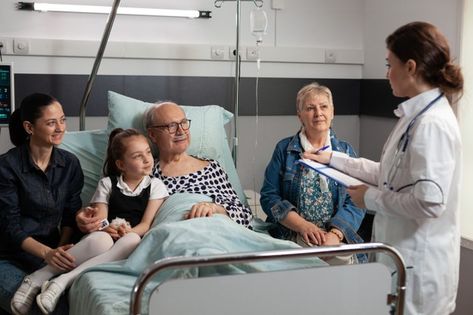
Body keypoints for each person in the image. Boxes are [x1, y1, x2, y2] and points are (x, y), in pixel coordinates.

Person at [307, 22, 463, 315]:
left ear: (411, 67)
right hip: (400, 258)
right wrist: (333, 159)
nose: (386, 72)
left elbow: (430, 203)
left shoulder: (433, 124)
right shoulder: (414, 115)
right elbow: (390, 174)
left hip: (420, 267)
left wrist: (369, 198)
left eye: (390, 64)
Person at [11, 128, 168, 314]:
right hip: (105, 238)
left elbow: (145, 224)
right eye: (137, 156)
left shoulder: (155, 186)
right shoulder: (108, 184)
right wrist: (107, 228)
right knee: (101, 239)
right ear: (121, 164)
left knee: (132, 240)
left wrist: (127, 232)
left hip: (130, 240)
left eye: (148, 152)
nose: (147, 159)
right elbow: (100, 219)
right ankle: (38, 277)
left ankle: (62, 281)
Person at [259, 82, 367, 263]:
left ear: (332, 112)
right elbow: (269, 197)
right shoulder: (284, 149)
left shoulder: (345, 152)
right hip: (293, 234)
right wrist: (302, 226)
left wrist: (335, 234)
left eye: (324, 107)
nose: (318, 113)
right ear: (300, 115)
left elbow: (357, 202)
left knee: (341, 275)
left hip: (334, 238)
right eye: (310, 108)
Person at [0, 93, 84, 315]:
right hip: (8, 257)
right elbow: (10, 228)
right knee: (42, 309)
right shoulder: (6, 167)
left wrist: (58, 251)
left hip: (51, 254)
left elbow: (70, 214)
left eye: (63, 120)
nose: (60, 128)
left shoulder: (70, 164)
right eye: (51, 123)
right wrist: (48, 253)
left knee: (70, 303)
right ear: (29, 127)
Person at [144, 101, 253, 228]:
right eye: (172, 126)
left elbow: (245, 216)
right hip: (175, 235)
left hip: (219, 230)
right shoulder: (147, 174)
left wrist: (214, 208)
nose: (181, 131)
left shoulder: (212, 169)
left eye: (184, 123)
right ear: (153, 135)